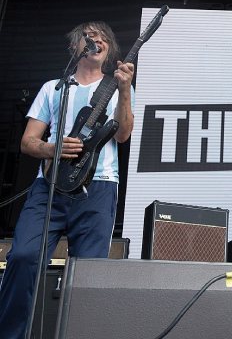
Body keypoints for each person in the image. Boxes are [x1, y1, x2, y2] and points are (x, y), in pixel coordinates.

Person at [0, 21, 134, 338]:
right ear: (76, 47)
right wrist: (52, 147)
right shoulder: (54, 87)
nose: (97, 41)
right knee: (22, 256)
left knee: (88, 273)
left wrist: (126, 90)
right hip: (49, 186)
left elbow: (124, 134)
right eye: (89, 38)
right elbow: (27, 142)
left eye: (103, 38)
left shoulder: (116, 87)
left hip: (98, 186)